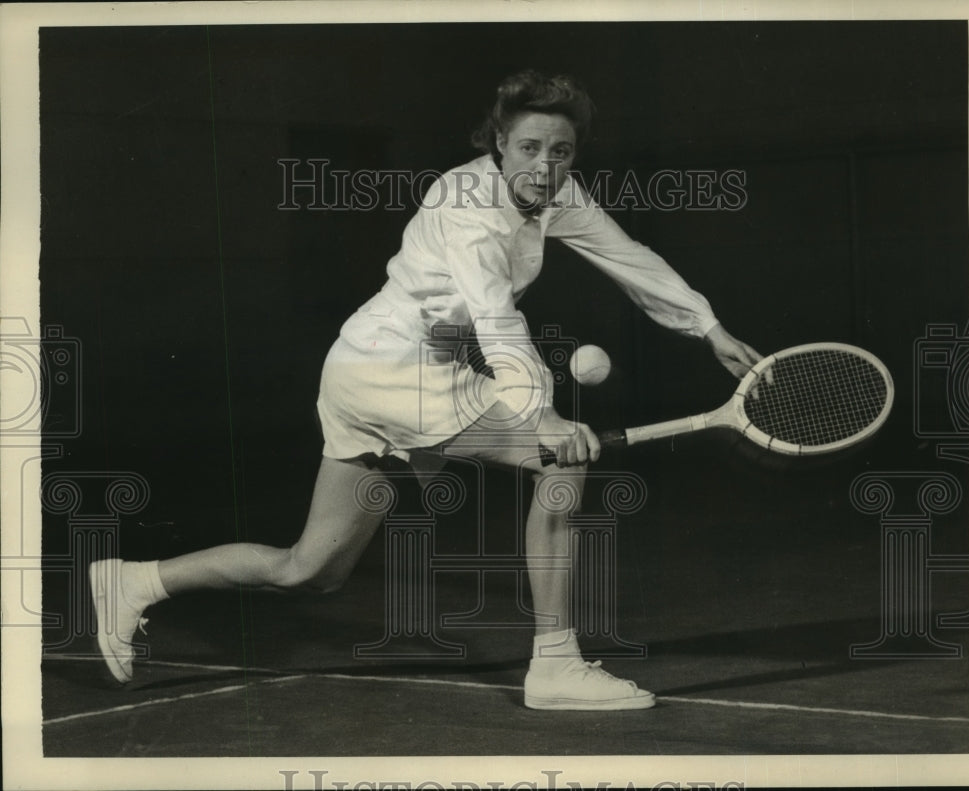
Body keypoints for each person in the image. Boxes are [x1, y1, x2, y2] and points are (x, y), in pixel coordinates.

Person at [90, 70, 762, 711]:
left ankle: (137, 580)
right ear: (498, 143)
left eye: (561, 150)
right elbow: (497, 315)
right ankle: (556, 664)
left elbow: (628, 256)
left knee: (309, 569)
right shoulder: (468, 208)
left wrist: (708, 326)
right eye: (529, 146)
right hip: (393, 370)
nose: (545, 164)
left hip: (374, 369)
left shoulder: (558, 193)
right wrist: (544, 413)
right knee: (558, 462)